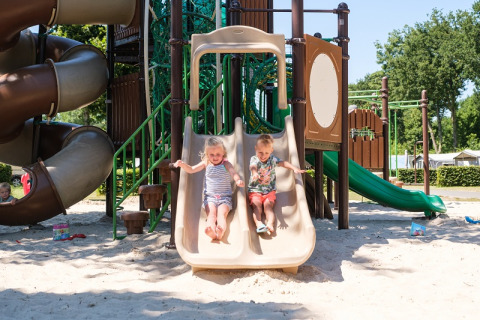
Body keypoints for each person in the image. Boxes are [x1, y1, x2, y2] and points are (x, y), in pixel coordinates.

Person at [174, 137, 244, 240]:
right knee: (211, 215)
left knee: (221, 214)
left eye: (218, 154)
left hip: (224, 198)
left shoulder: (226, 164)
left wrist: (238, 180)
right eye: (212, 155)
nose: (215, 157)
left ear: (223, 153)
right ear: (207, 154)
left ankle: (220, 231)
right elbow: (192, 169)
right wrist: (182, 164)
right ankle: (211, 229)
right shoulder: (206, 163)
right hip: (210, 198)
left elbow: (233, 173)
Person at [248, 134, 305, 234]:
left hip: (269, 191)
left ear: (271, 151)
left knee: (268, 207)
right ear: (255, 149)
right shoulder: (254, 159)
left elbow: (283, 163)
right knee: (257, 206)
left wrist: (294, 168)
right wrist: (255, 173)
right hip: (255, 190)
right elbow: (253, 167)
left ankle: (270, 223)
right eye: (260, 152)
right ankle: (259, 224)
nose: (263, 155)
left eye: (266, 152)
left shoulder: (272, 159)